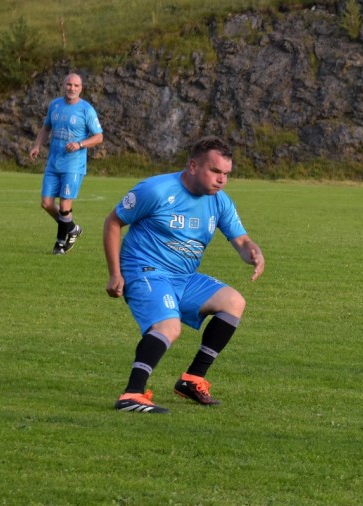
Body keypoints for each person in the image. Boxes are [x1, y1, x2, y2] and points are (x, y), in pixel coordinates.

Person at [104, 136, 265, 414]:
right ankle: (132, 394)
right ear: (193, 166)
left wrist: (252, 251)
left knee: (233, 302)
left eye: (226, 174)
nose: (222, 180)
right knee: (169, 327)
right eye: (215, 171)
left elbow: (241, 241)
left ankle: (192, 379)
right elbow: (113, 222)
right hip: (145, 271)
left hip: (183, 276)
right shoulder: (156, 190)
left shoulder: (219, 202)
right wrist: (115, 273)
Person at [30, 73, 104, 255]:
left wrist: (80, 144)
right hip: (53, 163)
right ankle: (71, 228)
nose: (72, 88)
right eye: (69, 85)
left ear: (81, 88)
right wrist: (37, 145)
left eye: (76, 85)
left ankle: (60, 245)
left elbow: (98, 137)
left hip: (73, 165)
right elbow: (46, 128)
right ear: (63, 86)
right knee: (46, 203)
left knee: (65, 206)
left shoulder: (86, 110)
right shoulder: (55, 105)